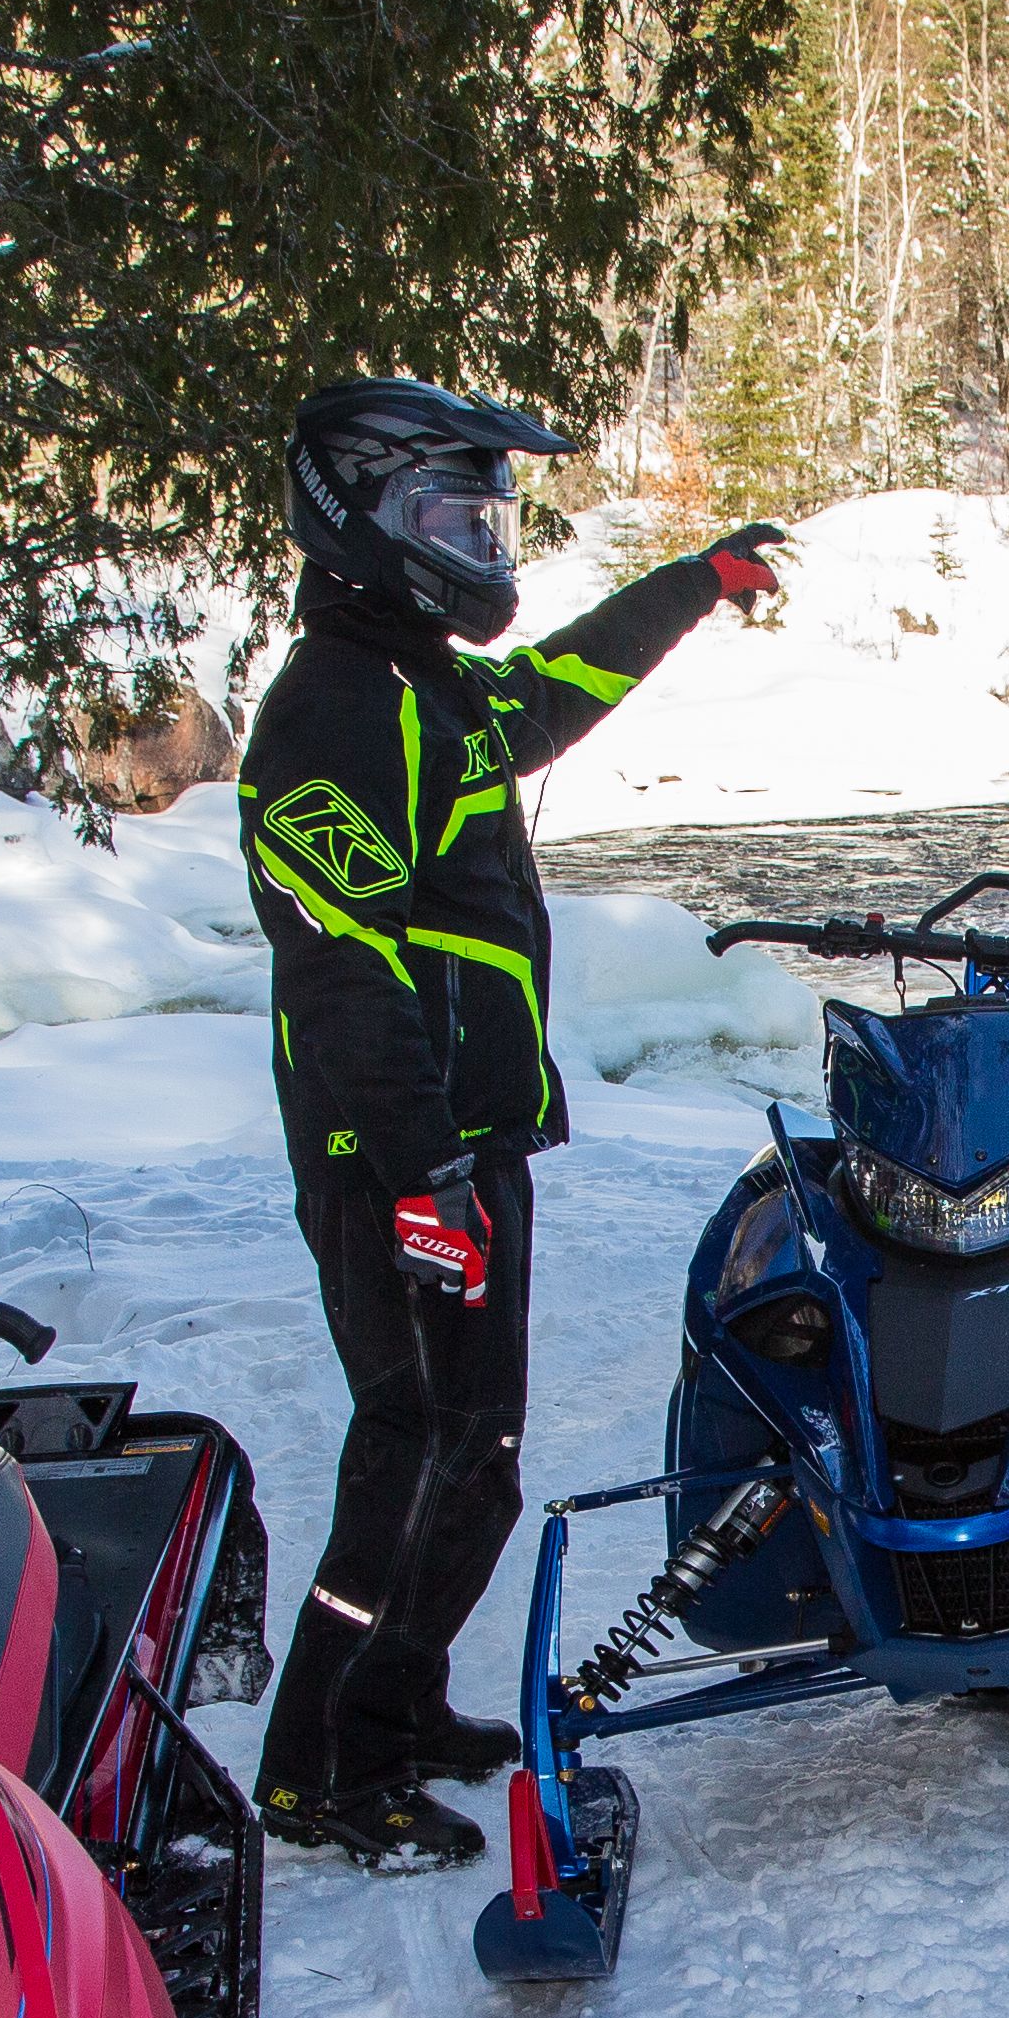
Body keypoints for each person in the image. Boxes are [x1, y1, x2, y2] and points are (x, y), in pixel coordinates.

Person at [237, 379, 785, 1864]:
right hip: (395, 1159)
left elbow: (556, 692)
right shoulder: (337, 708)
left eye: (483, 515)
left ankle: (400, 1706)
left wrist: (689, 587)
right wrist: (419, 1170)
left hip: (468, 1147)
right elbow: (341, 968)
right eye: (446, 514)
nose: (474, 540)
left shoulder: (429, 689)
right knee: (414, 1451)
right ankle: (318, 1771)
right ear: (358, 520)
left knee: (474, 1454)